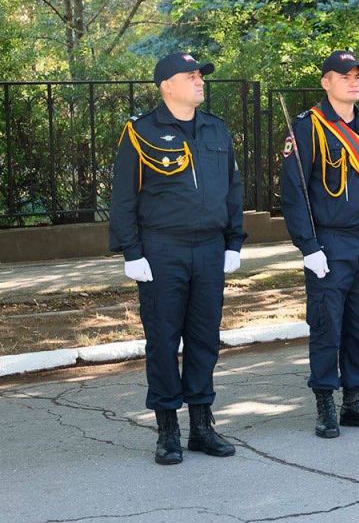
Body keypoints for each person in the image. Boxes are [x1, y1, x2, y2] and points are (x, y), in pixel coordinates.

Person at [108, 51, 244, 465]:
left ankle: (201, 426)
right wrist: (131, 252)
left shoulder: (216, 131)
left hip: (208, 249)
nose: (200, 80)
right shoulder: (140, 133)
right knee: (164, 341)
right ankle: (168, 429)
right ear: (167, 85)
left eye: (201, 75)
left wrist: (233, 242)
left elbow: (233, 190)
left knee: (204, 340)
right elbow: (123, 197)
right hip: (162, 250)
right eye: (191, 75)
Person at [280, 50, 359, 438]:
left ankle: (354, 400)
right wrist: (309, 246)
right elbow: (294, 192)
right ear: (326, 82)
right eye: (344, 76)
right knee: (326, 324)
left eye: (357, 76)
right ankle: (325, 403)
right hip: (330, 243)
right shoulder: (308, 127)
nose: (354, 82)